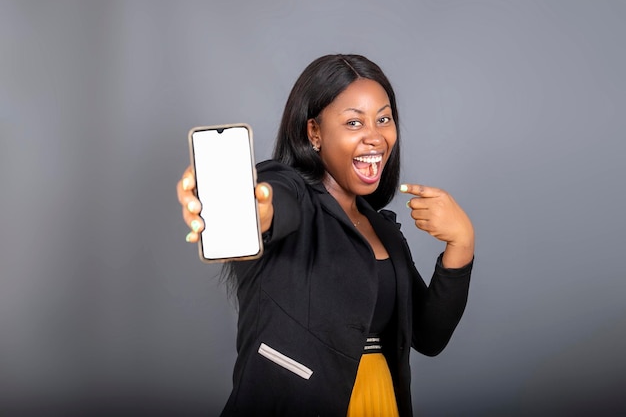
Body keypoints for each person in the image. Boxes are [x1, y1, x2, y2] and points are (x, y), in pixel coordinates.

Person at [176, 54, 474, 417]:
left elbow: (429, 336)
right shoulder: (293, 192)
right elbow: (275, 200)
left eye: (384, 119)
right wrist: (255, 210)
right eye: (353, 122)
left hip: (380, 402)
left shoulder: (382, 230)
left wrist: (462, 243)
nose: (375, 137)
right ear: (314, 132)